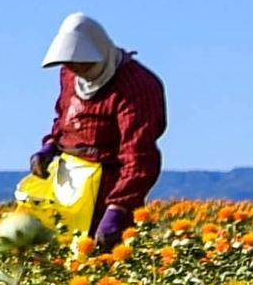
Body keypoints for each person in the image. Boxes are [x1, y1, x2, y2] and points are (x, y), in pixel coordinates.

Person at [31, 14, 163, 251]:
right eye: (72, 65)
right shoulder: (69, 75)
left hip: (107, 189)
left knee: (100, 257)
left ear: (98, 53)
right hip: (69, 184)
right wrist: (50, 145)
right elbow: (64, 116)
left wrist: (118, 209)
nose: (78, 70)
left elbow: (139, 157)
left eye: (84, 64)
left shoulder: (136, 86)